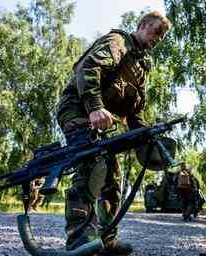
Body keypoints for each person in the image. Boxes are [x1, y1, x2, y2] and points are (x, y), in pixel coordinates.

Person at [56, 11, 171, 255]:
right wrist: (95, 107)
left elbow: (135, 116)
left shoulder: (140, 69)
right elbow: (88, 68)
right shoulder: (118, 43)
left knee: (112, 179)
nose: (158, 38)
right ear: (142, 25)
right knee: (92, 165)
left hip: (102, 122)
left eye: (162, 37)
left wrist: (148, 137)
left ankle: (106, 240)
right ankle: (79, 240)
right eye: (156, 31)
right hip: (77, 107)